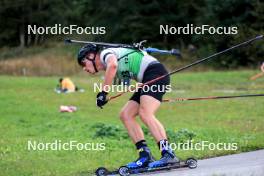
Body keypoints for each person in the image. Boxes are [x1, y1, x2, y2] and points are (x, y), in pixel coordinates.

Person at [77, 44, 179, 169]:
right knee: (126, 115)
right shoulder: (109, 62)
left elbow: (113, 65)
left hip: (155, 74)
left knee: (145, 113)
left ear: (91, 56)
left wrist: (103, 93)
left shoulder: (105, 54)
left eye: (83, 63)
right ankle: (145, 155)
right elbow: (127, 70)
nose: (84, 68)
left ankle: (168, 154)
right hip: (147, 78)